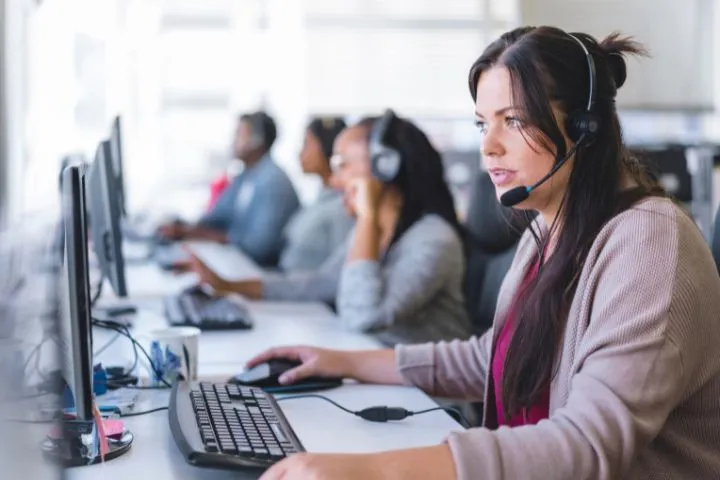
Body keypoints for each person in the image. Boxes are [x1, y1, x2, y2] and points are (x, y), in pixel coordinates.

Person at [245, 27, 720, 479]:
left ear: (585, 128)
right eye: (482, 124)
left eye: (513, 120)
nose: (488, 148)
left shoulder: (650, 243)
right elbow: (490, 358)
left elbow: (588, 446)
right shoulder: (549, 230)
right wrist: (344, 363)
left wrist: (373, 470)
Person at [189, 111, 472, 346]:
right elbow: (321, 283)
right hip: (376, 376)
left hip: (431, 403)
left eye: (343, 165)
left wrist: (366, 217)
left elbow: (364, 316)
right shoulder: (379, 231)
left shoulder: (433, 239)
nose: (335, 181)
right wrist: (228, 285)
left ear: (386, 167)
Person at [158, 111, 300, 267]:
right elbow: (216, 218)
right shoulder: (245, 175)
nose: (232, 141)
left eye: (239, 135)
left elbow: (259, 247)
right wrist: (184, 228)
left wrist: (198, 235)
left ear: (256, 141)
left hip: (259, 270)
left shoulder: (273, 181)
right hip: (238, 260)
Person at [279, 117, 354, 272]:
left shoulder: (344, 207)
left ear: (328, 148)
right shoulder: (320, 198)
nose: (300, 153)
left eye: (307, 145)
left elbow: (338, 275)